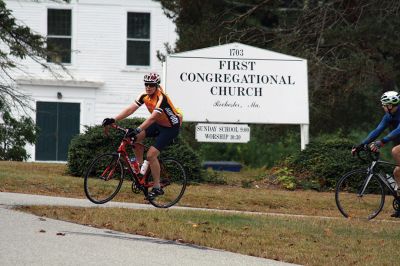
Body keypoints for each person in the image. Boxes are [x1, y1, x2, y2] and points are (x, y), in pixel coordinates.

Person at [102, 73, 182, 199]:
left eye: (151, 85)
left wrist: (138, 129)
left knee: (151, 155)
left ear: (156, 86)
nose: (148, 87)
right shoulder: (144, 95)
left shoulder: (161, 98)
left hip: (170, 128)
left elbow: (151, 118)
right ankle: (140, 170)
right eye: (146, 85)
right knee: (133, 139)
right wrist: (113, 119)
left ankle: (157, 187)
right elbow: (130, 109)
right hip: (158, 124)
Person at [352, 90, 400, 217]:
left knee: (395, 150)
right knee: (397, 172)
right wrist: (361, 145)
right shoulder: (389, 116)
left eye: (384, 105)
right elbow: (377, 130)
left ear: (390, 105)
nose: (383, 107)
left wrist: (382, 142)